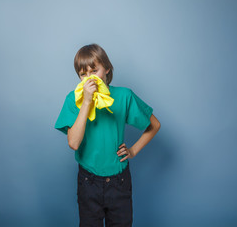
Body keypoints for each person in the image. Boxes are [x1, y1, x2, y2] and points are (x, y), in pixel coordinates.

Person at [54, 43, 161, 227]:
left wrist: (133, 150)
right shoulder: (73, 99)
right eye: (83, 74)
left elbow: (154, 125)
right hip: (89, 182)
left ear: (107, 69)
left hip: (119, 182)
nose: (89, 78)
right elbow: (73, 143)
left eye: (94, 71)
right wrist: (86, 102)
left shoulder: (124, 96)